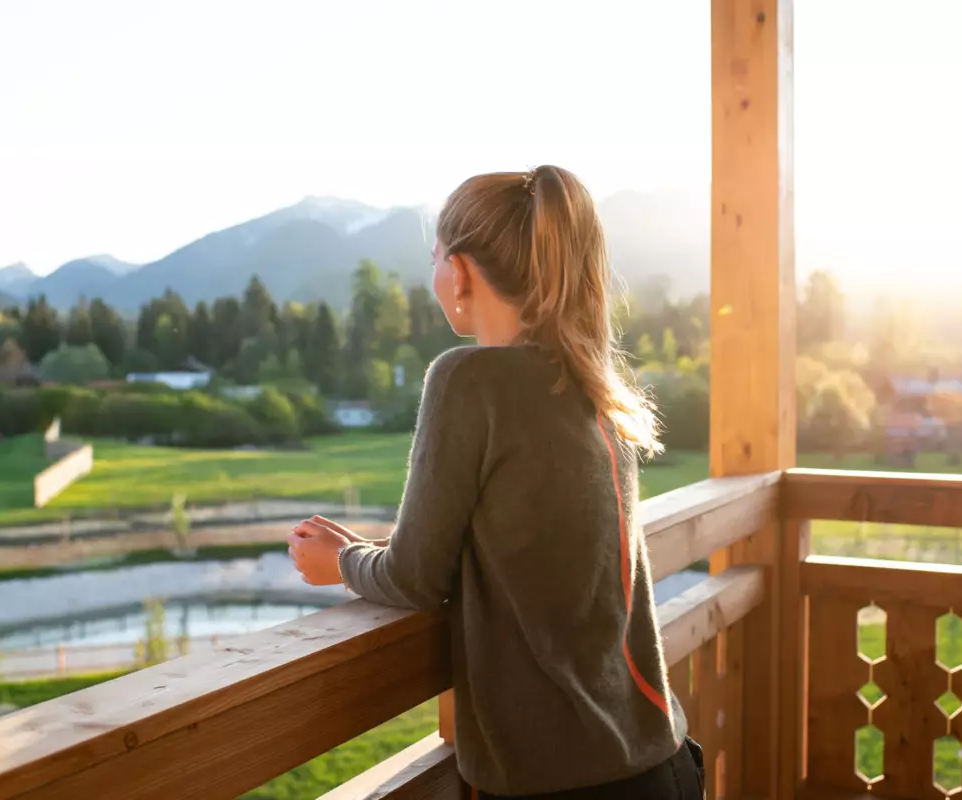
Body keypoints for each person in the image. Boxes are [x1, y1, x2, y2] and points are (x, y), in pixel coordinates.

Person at [287, 165, 704, 799]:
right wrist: (372, 554)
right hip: (660, 763)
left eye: (434, 259)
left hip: (560, 783)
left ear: (458, 272)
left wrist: (341, 562)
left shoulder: (467, 381)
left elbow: (414, 578)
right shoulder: (590, 388)